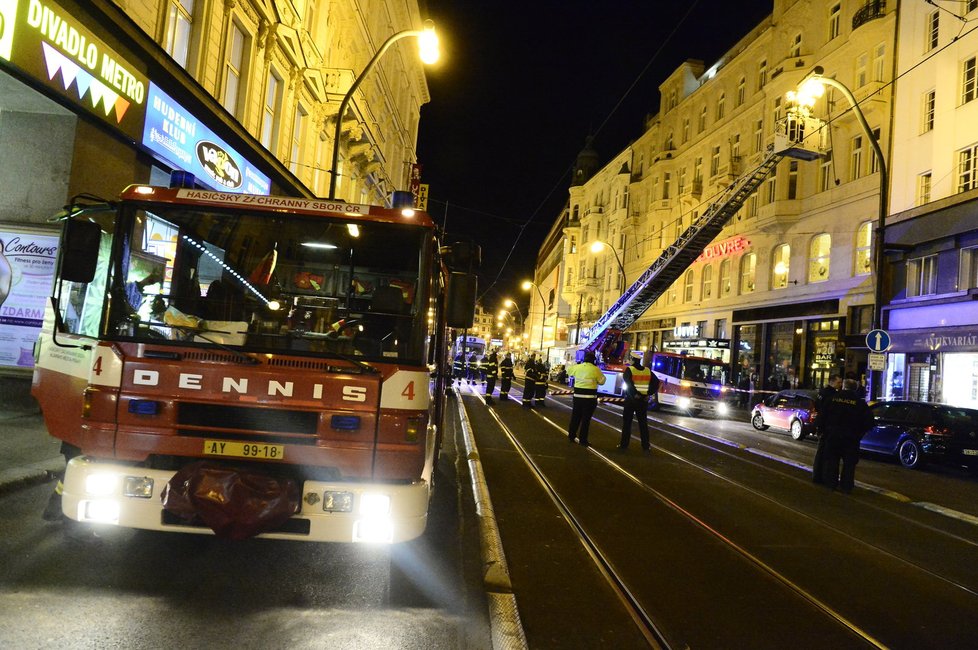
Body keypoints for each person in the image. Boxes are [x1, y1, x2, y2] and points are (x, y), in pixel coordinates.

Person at [819, 378, 874, 493]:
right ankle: (846, 486)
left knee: (832, 460)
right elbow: (869, 423)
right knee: (849, 464)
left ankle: (831, 483)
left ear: (843, 387)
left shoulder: (832, 399)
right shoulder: (860, 403)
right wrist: (859, 434)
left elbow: (822, 417)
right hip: (851, 438)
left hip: (833, 435)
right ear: (856, 388)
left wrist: (823, 431)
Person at [618, 350, 659, 452]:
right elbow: (656, 382)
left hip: (631, 400)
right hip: (643, 401)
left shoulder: (629, 370)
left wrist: (636, 394)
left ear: (632, 359)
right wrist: (648, 394)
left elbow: (629, 384)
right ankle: (646, 446)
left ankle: (624, 445)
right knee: (643, 424)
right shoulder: (647, 371)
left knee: (627, 423)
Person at [567, 351, 607, 447]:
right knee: (586, 420)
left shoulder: (578, 367)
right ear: (594, 360)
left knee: (575, 417)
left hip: (577, 398)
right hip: (590, 399)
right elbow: (602, 381)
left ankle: (571, 436)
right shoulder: (596, 369)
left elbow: (569, 371)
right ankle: (583, 439)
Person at [812, 374, 842, 485]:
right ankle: (822, 476)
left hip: (823, 425)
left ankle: (817, 475)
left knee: (821, 451)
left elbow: (817, 406)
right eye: (839, 382)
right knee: (824, 452)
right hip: (827, 426)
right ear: (832, 381)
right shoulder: (832, 394)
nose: (840, 385)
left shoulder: (822, 392)